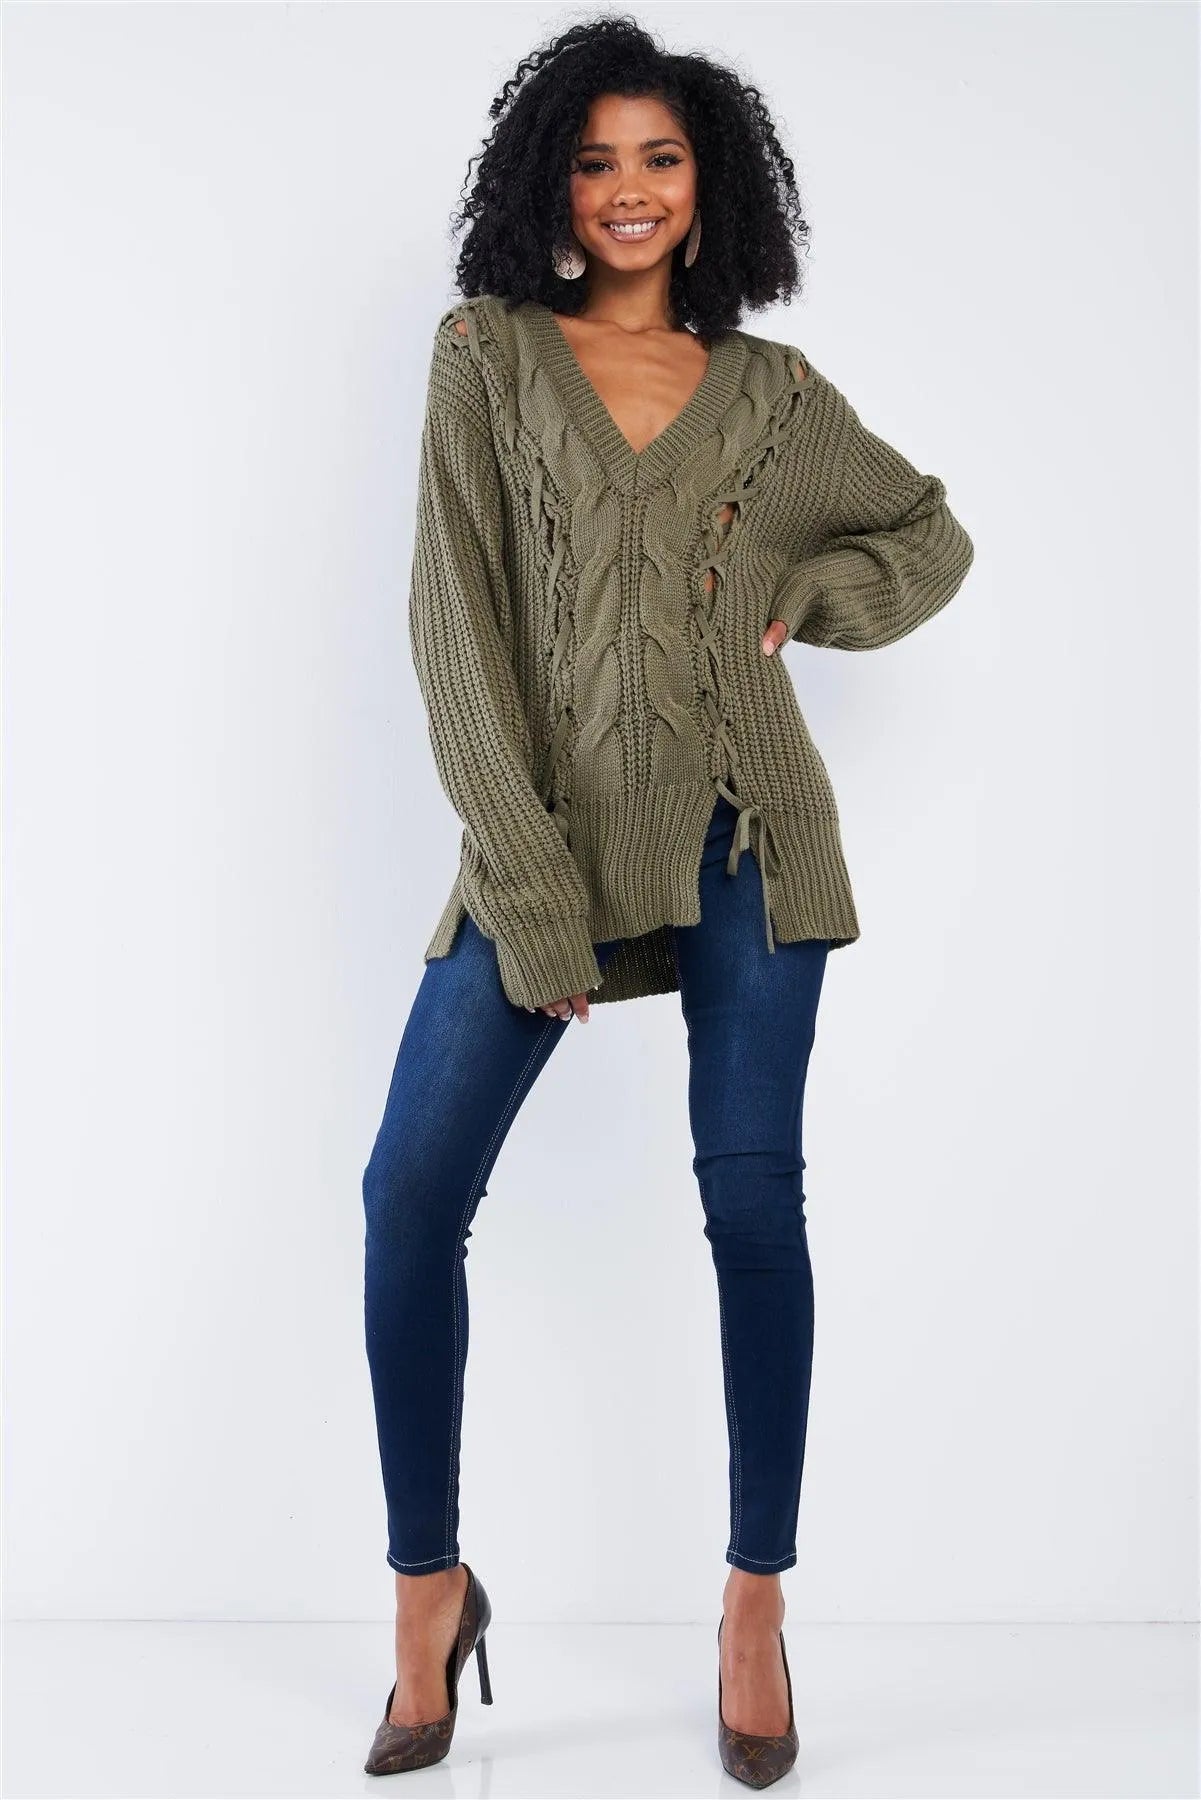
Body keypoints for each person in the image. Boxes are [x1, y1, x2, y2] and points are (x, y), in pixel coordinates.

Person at [361, 15, 974, 1787]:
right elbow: (454, 631)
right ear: (548, 184)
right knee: (409, 1195)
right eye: (594, 161)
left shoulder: (772, 397)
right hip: (543, 842)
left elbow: (927, 534)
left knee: (751, 1205)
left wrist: (813, 597)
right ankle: (425, 1593)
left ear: (710, 188)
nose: (626, 191)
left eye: (660, 159)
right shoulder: (486, 357)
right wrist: (530, 889)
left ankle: (753, 1604)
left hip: (747, 839)